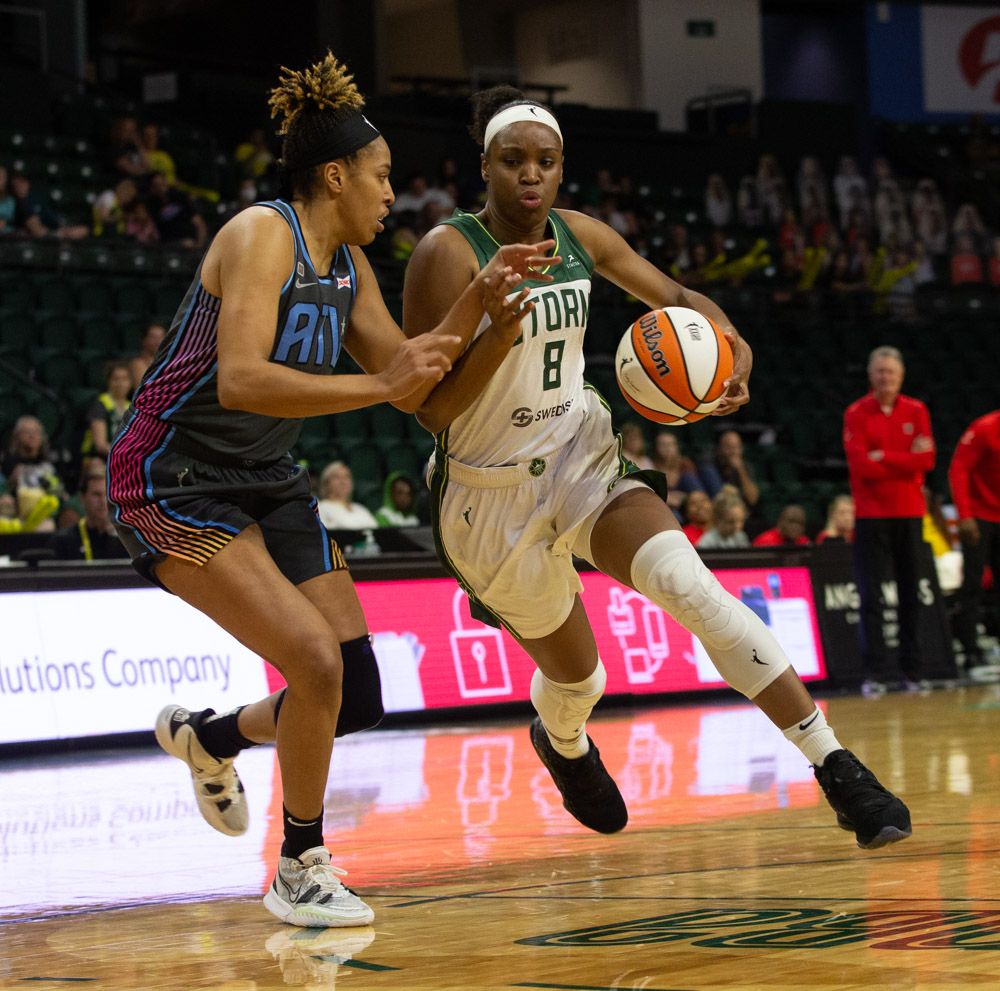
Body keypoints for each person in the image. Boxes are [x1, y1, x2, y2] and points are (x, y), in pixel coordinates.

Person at [402, 86, 911, 853]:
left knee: (692, 586)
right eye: (513, 162)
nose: (530, 176)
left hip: (580, 452)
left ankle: (834, 764)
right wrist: (493, 335)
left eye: (544, 161)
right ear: (485, 166)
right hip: (487, 494)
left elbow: (675, 295)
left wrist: (731, 344)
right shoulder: (448, 252)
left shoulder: (579, 236)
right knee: (581, 680)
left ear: (562, 168)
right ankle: (563, 741)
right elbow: (430, 411)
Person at [106, 54, 551, 930]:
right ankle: (301, 864)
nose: (394, 194)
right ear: (336, 175)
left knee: (356, 689)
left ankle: (212, 736)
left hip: (266, 478)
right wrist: (381, 388)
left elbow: (410, 378)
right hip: (171, 475)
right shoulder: (261, 234)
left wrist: (483, 308)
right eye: (383, 178)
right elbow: (239, 378)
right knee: (311, 662)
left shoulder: (348, 263)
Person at [844, 346, 935, 695]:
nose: (886, 377)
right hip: (871, 515)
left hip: (910, 513)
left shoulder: (917, 410)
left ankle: (912, 673)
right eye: (880, 371)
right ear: (871, 374)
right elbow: (861, 465)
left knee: (911, 594)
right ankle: (875, 674)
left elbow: (927, 460)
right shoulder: (856, 413)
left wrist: (884, 458)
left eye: (891, 372)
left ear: (901, 376)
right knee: (871, 596)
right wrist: (903, 460)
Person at [948, 409, 1000, 668]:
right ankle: (970, 648)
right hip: (979, 516)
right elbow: (959, 469)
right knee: (973, 583)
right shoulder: (984, 428)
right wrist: (965, 515)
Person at [54, 472, 125, 560]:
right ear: (82, 498)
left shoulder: (127, 539)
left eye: (107, 495)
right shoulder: (64, 541)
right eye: (96, 494)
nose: (103, 501)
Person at [81, 360, 133, 461]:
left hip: (122, 458)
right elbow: (100, 445)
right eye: (116, 379)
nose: (120, 383)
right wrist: (126, 456)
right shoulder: (100, 404)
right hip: (97, 459)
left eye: (125, 379)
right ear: (108, 381)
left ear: (130, 382)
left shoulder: (131, 408)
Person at [649, 429, 704, 517]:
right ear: (656, 448)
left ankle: (702, 508)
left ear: (676, 446)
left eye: (670, 444)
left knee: (688, 477)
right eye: (663, 445)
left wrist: (685, 497)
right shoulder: (651, 465)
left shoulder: (684, 463)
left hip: (688, 504)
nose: (667, 448)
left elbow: (693, 490)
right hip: (666, 507)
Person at [316, 461, 378, 530]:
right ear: (326, 483)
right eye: (337, 477)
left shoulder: (361, 509)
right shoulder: (320, 508)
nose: (343, 481)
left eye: (347, 477)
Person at [127, 322, 167, 390]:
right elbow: (143, 390)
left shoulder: (169, 361)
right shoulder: (137, 364)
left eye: (161, 337)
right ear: (143, 340)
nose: (158, 341)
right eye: (153, 337)